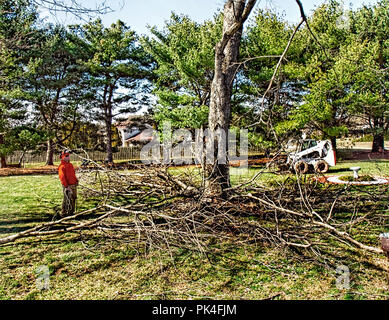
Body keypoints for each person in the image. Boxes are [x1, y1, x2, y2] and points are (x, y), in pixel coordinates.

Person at [58, 150, 78, 217]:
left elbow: (73, 174)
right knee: (67, 199)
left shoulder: (70, 165)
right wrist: (66, 186)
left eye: (68, 155)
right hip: (68, 186)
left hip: (73, 184)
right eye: (66, 156)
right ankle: (64, 213)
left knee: (73, 198)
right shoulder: (62, 166)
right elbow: (62, 177)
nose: (68, 157)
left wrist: (76, 180)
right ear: (63, 157)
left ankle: (71, 212)